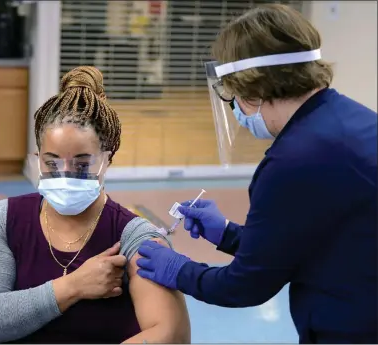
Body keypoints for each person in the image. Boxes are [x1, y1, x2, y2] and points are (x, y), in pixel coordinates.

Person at [135, 4, 377, 344]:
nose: (233, 106)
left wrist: (179, 270)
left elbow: (246, 286)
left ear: (254, 87)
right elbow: (301, 241)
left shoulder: (293, 161)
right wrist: (228, 235)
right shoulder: (351, 120)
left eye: (230, 93)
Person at [0, 66, 191, 344]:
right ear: (37, 159)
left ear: (107, 160)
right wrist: (74, 285)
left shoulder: (135, 237)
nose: (65, 174)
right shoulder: (4, 219)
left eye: (82, 164)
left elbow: (171, 335)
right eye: (51, 163)